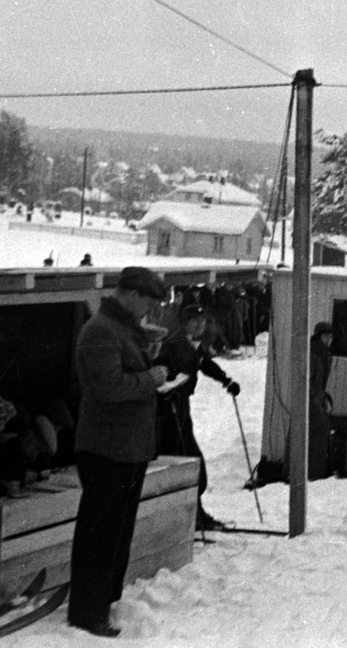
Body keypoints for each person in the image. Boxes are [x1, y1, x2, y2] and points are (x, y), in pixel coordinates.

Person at [69, 266, 169, 637]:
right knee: (99, 533)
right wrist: (151, 378)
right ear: (131, 294)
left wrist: (147, 354)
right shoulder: (101, 330)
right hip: (106, 448)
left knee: (116, 533)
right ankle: (86, 612)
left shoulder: (121, 328)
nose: (149, 311)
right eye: (149, 302)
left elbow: (121, 370)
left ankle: (104, 602)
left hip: (127, 448)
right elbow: (108, 386)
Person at [154, 305, 240, 531]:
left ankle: (196, 513)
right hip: (168, 410)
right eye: (194, 321)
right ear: (184, 321)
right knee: (183, 458)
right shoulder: (172, 343)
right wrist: (168, 385)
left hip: (182, 407)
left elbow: (205, 363)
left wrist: (226, 380)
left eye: (202, 321)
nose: (199, 325)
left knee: (192, 460)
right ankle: (187, 517)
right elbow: (158, 368)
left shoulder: (194, 343)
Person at [308, 322, 335, 481]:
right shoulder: (313, 354)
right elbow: (308, 381)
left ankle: (316, 472)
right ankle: (313, 473)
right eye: (326, 336)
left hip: (317, 399)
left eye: (331, 337)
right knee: (318, 433)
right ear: (319, 336)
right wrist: (314, 399)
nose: (329, 339)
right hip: (311, 401)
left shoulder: (324, 354)